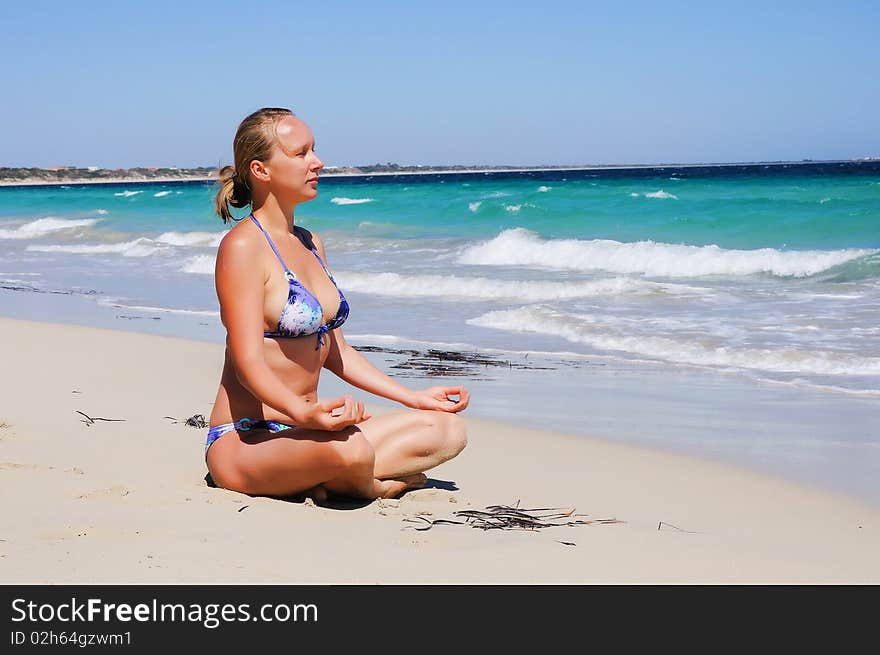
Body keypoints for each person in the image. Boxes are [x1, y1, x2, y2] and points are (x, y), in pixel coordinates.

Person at [207, 107, 469, 502]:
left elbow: (338, 352)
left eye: (314, 150)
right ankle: (371, 483)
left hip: (312, 431)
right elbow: (248, 364)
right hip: (249, 440)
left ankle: (338, 476)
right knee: (352, 449)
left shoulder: (311, 243)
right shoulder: (242, 247)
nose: (318, 162)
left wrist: (411, 396)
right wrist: (303, 413)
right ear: (261, 170)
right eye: (301, 153)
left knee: (447, 430)